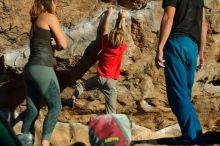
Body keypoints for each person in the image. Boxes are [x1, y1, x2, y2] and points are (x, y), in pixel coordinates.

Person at [157, 0, 207, 145]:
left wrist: (160, 46)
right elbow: (203, 25)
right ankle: (198, 138)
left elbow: (168, 16)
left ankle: (190, 139)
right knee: (184, 96)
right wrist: (201, 52)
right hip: (192, 48)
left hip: (176, 45)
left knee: (178, 97)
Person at [21, 0, 67, 146]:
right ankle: (45, 144)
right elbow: (64, 44)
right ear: (50, 2)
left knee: (33, 110)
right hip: (42, 68)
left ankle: (22, 141)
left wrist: (54, 44)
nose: (57, 5)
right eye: (56, 1)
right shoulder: (49, 16)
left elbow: (47, 44)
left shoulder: (35, 22)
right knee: (56, 106)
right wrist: (58, 44)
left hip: (29, 69)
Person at [71, 8, 128, 114]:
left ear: (110, 38)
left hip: (99, 78)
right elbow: (123, 32)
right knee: (111, 109)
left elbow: (105, 28)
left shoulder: (106, 45)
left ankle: (74, 96)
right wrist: (123, 18)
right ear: (121, 41)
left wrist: (109, 14)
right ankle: (110, 126)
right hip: (111, 82)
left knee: (83, 85)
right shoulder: (121, 48)